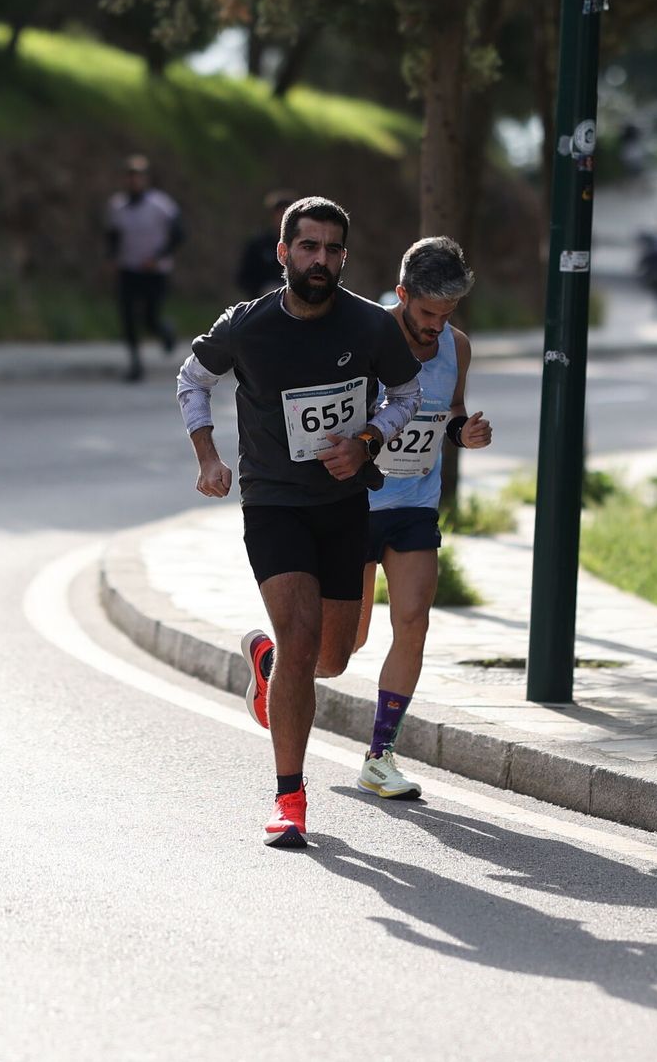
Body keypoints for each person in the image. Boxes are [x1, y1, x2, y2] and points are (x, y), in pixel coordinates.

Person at [176, 196, 422, 848]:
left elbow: (407, 394)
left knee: (331, 659)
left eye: (333, 249)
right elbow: (192, 379)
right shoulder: (248, 326)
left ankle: (270, 669)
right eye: (308, 246)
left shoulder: (370, 326)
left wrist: (368, 441)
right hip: (273, 501)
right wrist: (208, 456)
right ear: (283, 253)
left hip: (343, 506)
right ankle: (290, 798)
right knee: (301, 631)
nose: (321, 259)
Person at [350, 236, 492, 800]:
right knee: (347, 644)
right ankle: (274, 661)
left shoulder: (456, 345)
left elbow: (450, 413)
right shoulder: (364, 336)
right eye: (428, 312)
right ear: (403, 294)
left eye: (448, 313)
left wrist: (466, 433)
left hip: (414, 503)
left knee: (413, 622)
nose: (436, 325)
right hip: (356, 506)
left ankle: (379, 756)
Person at [105, 154, 183, 383]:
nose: (133, 182)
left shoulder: (161, 205)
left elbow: (179, 234)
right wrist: (111, 258)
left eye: (137, 177)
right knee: (128, 316)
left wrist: (158, 257)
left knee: (150, 317)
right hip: (128, 268)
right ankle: (135, 364)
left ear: (145, 179)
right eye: (129, 177)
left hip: (154, 271)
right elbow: (112, 236)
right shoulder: (117, 206)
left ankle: (165, 332)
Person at [234, 190, 292, 302]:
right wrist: (261, 291)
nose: (283, 217)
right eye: (280, 213)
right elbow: (244, 277)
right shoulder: (259, 245)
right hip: (263, 302)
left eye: (287, 213)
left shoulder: (304, 245)